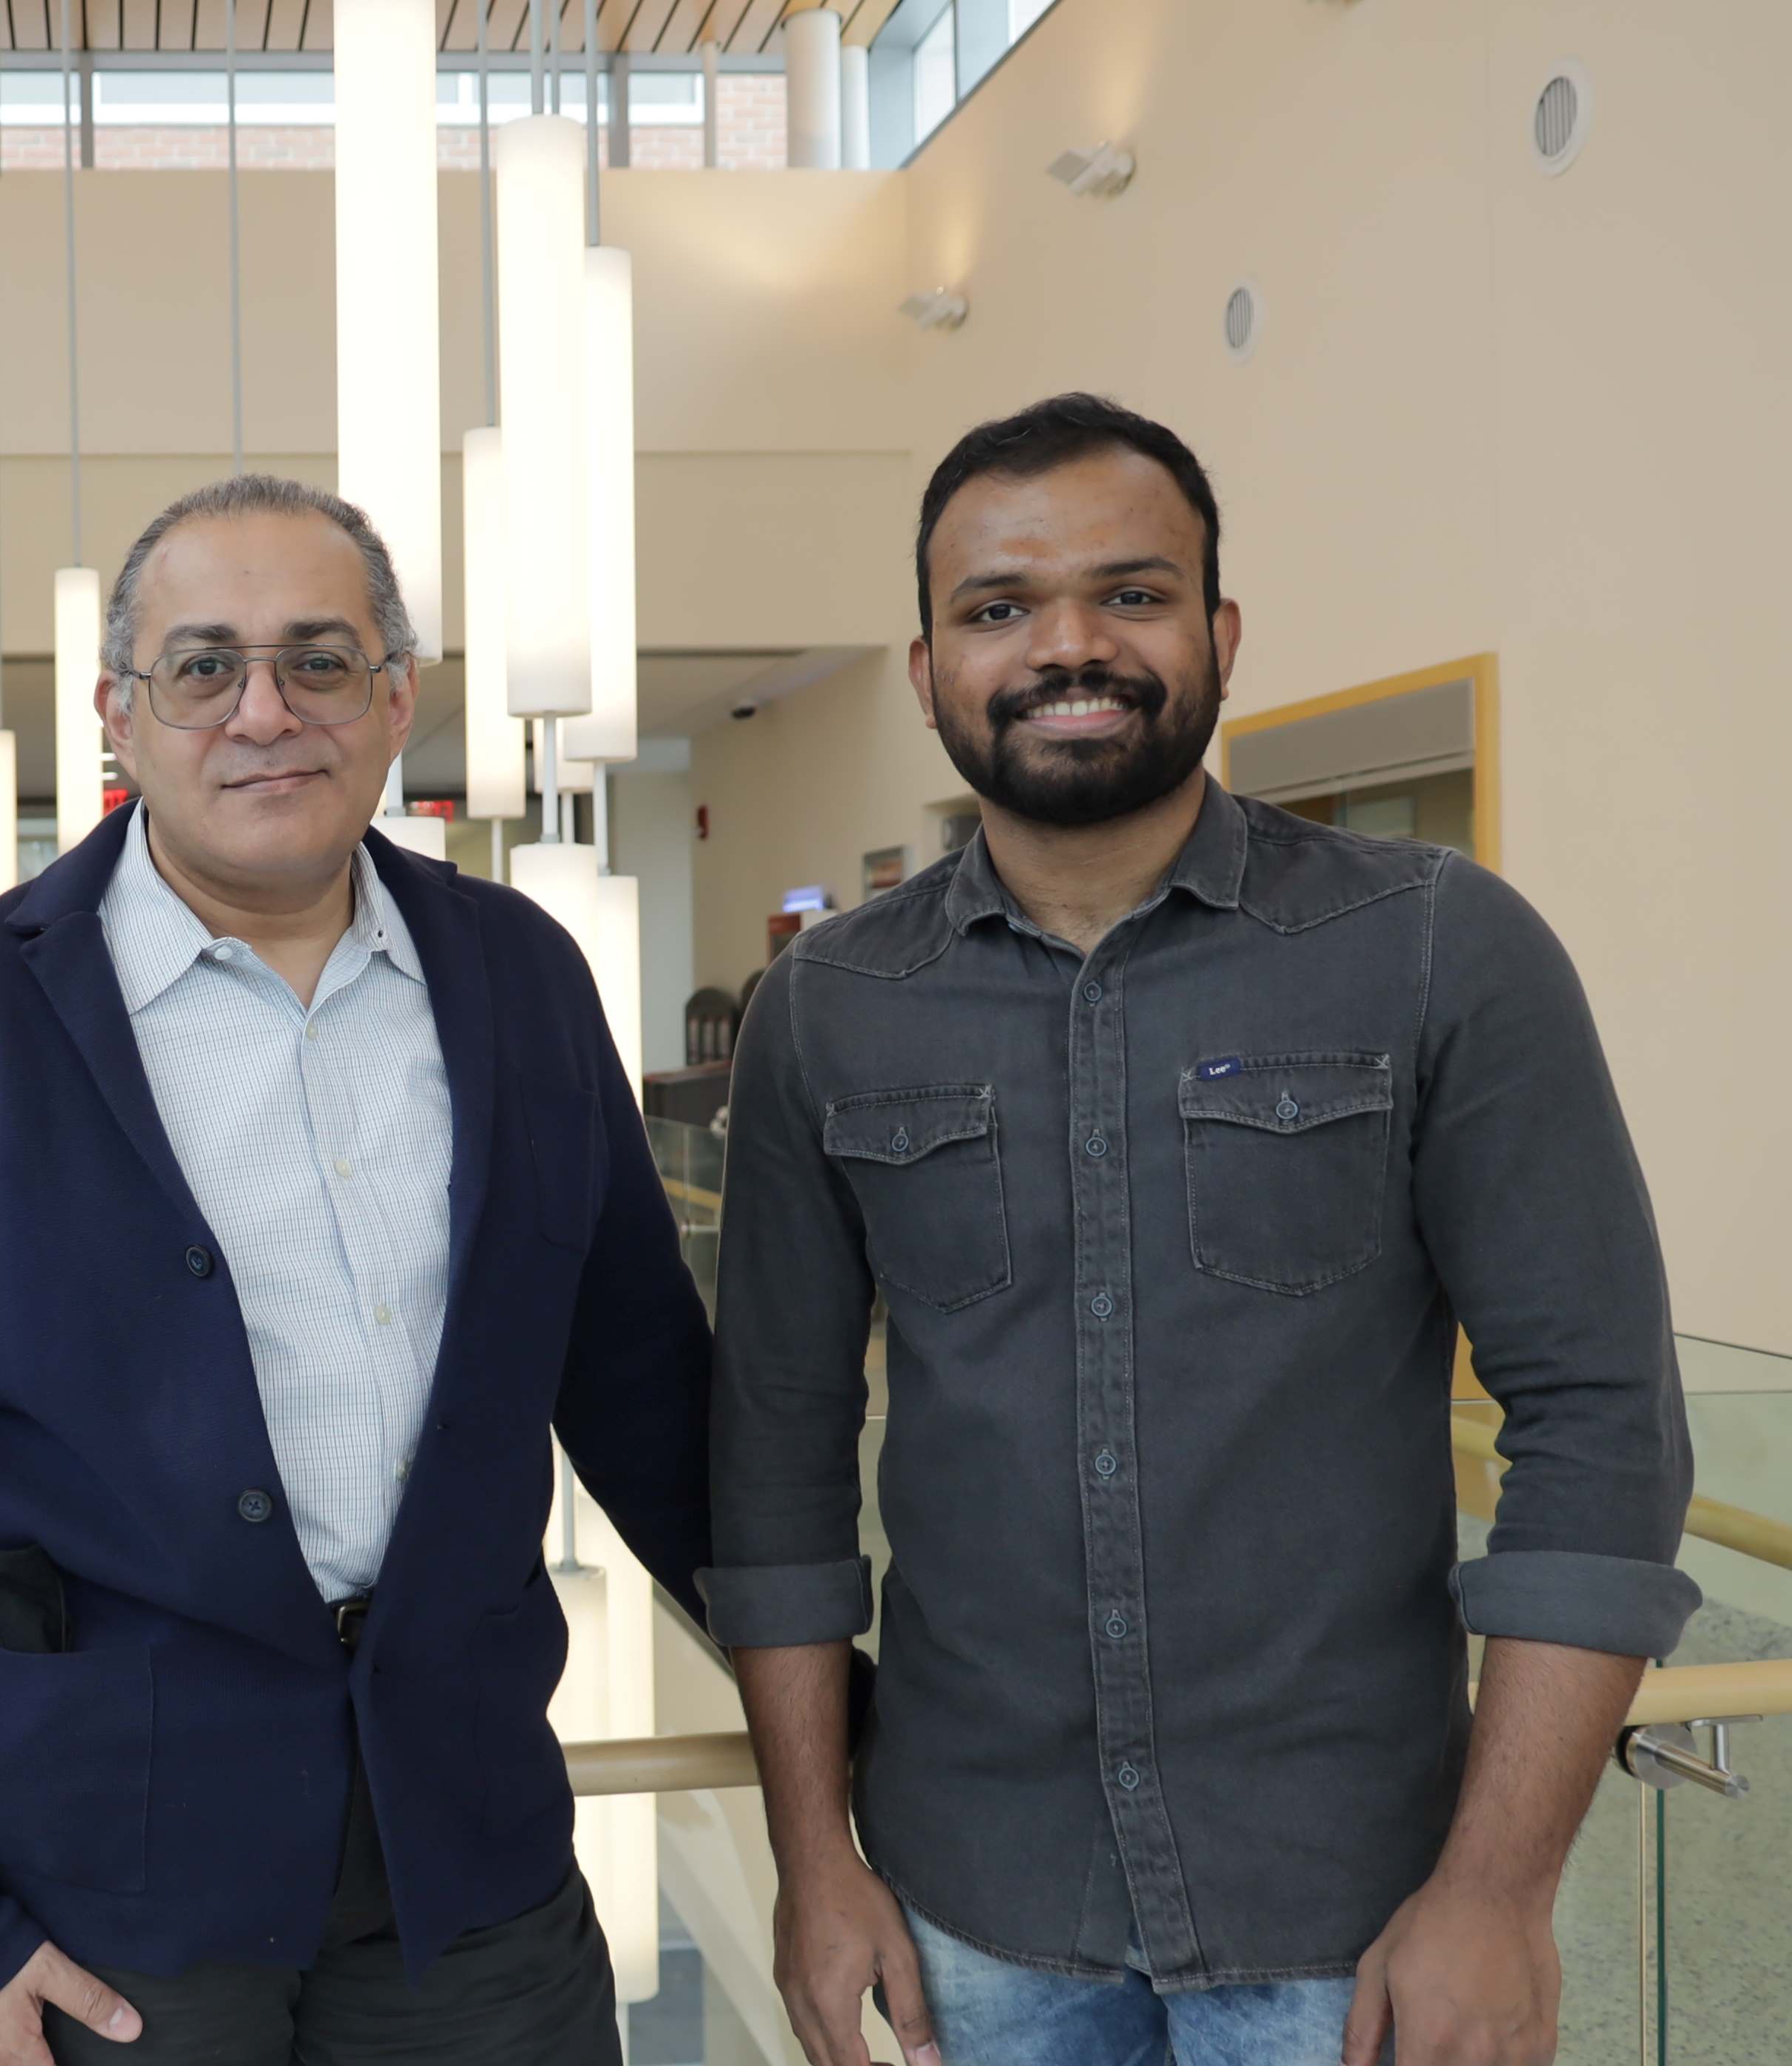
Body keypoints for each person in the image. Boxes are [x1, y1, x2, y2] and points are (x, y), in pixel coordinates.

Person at [707, 392, 1698, 2066]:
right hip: (974, 1903)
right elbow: (777, 1460)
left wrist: (1498, 1893)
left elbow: (1601, 1426)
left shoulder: (1443, 949)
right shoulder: (825, 1009)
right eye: (999, 608)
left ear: (1222, 634)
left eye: (1134, 594)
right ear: (927, 667)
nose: (1068, 646)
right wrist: (814, 1862)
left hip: (1357, 1912)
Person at [0, 474, 711, 2066]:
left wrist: (845, 1731)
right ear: (118, 716)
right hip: (99, 1897)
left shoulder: (520, 982)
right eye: (203, 666)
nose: (264, 711)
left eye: (320, 661)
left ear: (397, 698)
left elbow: (651, 1410)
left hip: (466, 1867)